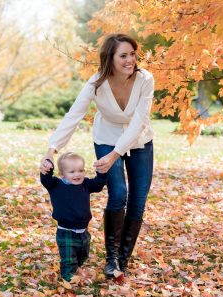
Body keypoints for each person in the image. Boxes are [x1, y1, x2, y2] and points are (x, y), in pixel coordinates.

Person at [40, 33, 154, 278]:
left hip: (140, 141)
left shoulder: (145, 79)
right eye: (123, 55)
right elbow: (74, 115)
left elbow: (138, 121)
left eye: (132, 54)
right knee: (118, 194)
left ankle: (121, 262)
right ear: (109, 59)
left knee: (137, 200)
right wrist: (52, 149)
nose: (130, 60)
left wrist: (116, 154)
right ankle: (111, 257)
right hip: (106, 138)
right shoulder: (96, 83)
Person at [40, 152, 106, 282]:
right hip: (66, 231)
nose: (77, 174)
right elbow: (46, 179)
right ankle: (68, 280)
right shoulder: (56, 185)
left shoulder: (85, 184)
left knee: (83, 255)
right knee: (68, 259)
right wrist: (48, 168)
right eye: (72, 172)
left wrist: (101, 173)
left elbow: (98, 185)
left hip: (83, 231)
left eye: (81, 170)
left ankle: (76, 268)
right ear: (62, 174)